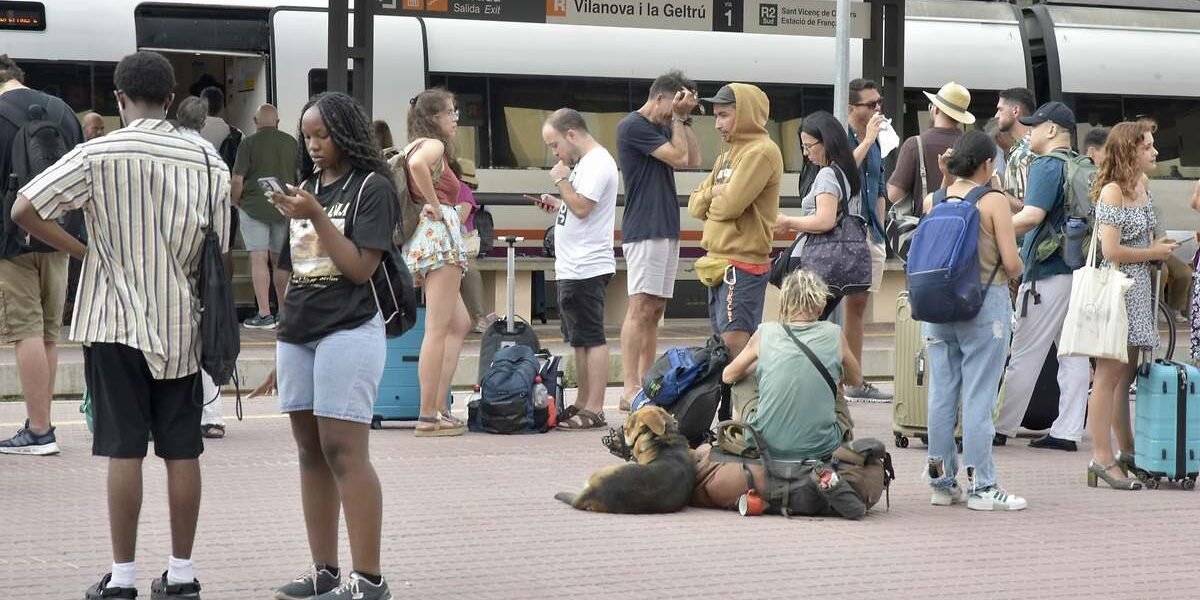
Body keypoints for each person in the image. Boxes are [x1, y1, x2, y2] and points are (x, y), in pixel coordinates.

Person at [12, 50, 227, 598]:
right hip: (181, 324)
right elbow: (217, 253)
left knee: (124, 449)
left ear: (118, 97)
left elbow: (24, 208)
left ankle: (123, 578)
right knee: (183, 451)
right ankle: (181, 574)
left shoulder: (97, 153)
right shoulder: (207, 161)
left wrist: (86, 250)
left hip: (112, 320)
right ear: (172, 98)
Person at [270, 91, 397, 599]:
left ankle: (369, 581)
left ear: (346, 133)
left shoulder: (372, 187)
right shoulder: (304, 187)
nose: (315, 145)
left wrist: (318, 215)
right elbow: (295, 268)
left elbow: (360, 267)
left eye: (323, 135)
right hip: (300, 330)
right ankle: (323, 571)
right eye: (308, 136)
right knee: (309, 452)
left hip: (350, 326)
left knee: (344, 451)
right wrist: (284, 334)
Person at [921, 131, 1027, 511]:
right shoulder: (993, 201)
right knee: (979, 396)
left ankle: (941, 481)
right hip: (984, 307)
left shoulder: (934, 199)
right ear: (987, 164)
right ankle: (983, 485)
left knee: (941, 394)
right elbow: (1012, 263)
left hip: (936, 309)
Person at [0, 53, 84, 456]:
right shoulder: (63, 110)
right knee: (50, 332)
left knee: (25, 331)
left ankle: (38, 430)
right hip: (58, 234)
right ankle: (42, 422)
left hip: (10, 239)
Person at [995, 101, 1092, 450]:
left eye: (1035, 126)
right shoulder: (1082, 165)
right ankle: (1067, 432)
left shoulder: (1047, 165)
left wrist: (995, 229)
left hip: (1046, 274)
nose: (1030, 132)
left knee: (1023, 352)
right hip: (1078, 272)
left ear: (1051, 130)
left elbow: (1032, 216)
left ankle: (1001, 427)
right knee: (1074, 354)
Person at [1086, 121, 1176, 491]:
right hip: (1119, 290)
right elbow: (1110, 251)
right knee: (1107, 376)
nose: (1155, 152)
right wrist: (1153, 252)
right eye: (1148, 147)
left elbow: (1152, 231)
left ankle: (1127, 450)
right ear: (1129, 151)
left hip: (1139, 291)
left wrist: (1161, 245)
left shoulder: (1143, 186)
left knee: (1126, 375)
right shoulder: (1112, 192)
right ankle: (1100, 456)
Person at [615, 69, 701, 411]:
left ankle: (648, 380)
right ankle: (629, 387)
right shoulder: (633, 126)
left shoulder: (668, 126)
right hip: (644, 226)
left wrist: (685, 121)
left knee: (656, 308)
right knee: (639, 307)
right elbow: (679, 158)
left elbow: (692, 161)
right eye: (675, 104)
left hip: (665, 225)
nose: (675, 112)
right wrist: (677, 121)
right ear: (660, 97)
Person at [687, 83, 782, 378]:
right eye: (716, 116)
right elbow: (693, 206)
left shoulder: (762, 152)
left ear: (745, 115)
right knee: (721, 350)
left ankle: (742, 418)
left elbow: (729, 208)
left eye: (724, 115)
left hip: (743, 266)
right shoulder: (725, 156)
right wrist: (716, 191)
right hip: (718, 263)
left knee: (735, 348)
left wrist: (713, 200)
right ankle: (729, 417)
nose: (717, 125)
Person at [536, 108, 618, 430]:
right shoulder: (585, 165)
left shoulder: (598, 162)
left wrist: (561, 181)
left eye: (555, 145)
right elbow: (580, 205)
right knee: (579, 339)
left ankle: (595, 408)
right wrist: (558, 203)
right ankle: (583, 402)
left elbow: (583, 207)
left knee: (592, 337)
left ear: (572, 134)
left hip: (587, 265)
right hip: (573, 265)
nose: (555, 153)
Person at [402, 88, 470, 437]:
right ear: (434, 118)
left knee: (459, 323)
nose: (455, 119)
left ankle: (439, 405)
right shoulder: (433, 146)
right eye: (450, 112)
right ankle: (428, 414)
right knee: (438, 330)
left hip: (424, 239)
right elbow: (417, 167)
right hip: (439, 240)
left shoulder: (412, 144)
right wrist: (436, 205)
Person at [176, 95, 234, 440]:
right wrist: (219, 260)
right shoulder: (215, 161)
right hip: (203, 259)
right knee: (206, 332)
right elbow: (223, 225)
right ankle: (211, 414)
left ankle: (172, 410)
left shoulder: (164, 150)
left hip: (166, 257)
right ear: (204, 122)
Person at [774, 111, 865, 322]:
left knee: (800, 326)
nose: (806, 153)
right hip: (836, 261)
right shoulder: (845, 172)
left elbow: (825, 220)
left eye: (808, 146)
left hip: (812, 261)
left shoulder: (827, 174)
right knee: (813, 324)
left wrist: (787, 221)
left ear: (827, 142)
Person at [842, 78, 892, 402]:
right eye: (870, 104)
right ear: (851, 109)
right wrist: (869, 137)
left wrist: (881, 224)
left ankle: (855, 379)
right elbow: (843, 170)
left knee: (859, 305)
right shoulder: (843, 138)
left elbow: (881, 184)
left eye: (879, 103)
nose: (877, 109)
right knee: (839, 304)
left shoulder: (875, 142)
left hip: (870, 231)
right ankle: (844, 379)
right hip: (844, 232)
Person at [231, 103, 299, 330]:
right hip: (283, 207)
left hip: (254, 207)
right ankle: (283, 312)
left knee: (258, 259)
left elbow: (238, 180)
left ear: (255, 121)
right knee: (281, 261)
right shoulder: (291, 142)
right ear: (277, 122)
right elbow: (298, 177)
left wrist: (236, 201)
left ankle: (264, 314)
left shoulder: (247, 143)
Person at [887, 81, 974, 208]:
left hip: (925, 224)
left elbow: (894, 195)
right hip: (965, 224)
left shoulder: (915, 145)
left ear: (936, 109)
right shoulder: (973, 146)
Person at [449, 157, 491, 332]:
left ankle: (478, 316)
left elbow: (461, 219)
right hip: (449, 245)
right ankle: (477, 317)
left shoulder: (463, 190)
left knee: (469, 271)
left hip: (459, 244)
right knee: (470, 272)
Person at [993, 88, 1036, 212]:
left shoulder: (1024, 154)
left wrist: (999, 191)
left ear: (1015, 111)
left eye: (1000, 109)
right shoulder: (1029, 147)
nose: (996, 115)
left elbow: (1027, 209)